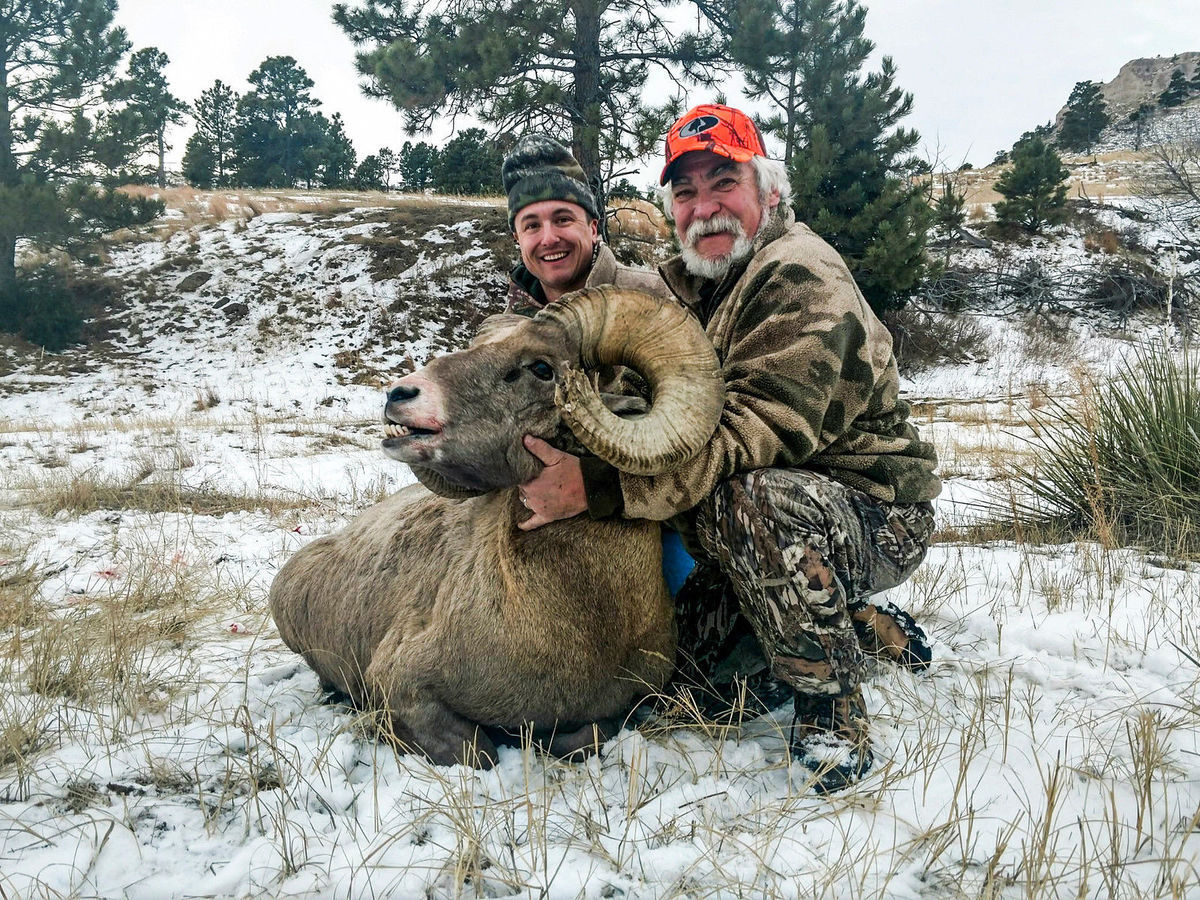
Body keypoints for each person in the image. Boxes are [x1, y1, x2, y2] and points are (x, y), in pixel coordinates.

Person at [516, 104, 941, 792]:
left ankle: (832, 710)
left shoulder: (800, 274)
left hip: (867, 510)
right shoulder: (705, 283)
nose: (705, 207)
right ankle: (855, 624)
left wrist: (594, 487)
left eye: (724, 182)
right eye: (686, 192)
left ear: (768, 191)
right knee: (687, 688)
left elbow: (748, 437)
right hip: (753, 528)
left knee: (748, 498)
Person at [501, 134, 668, 316]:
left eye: (563, 220)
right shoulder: (507, 326)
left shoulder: (660, 299)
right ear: (518, 238)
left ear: (593, 229)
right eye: (532, 226)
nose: (549, 239)